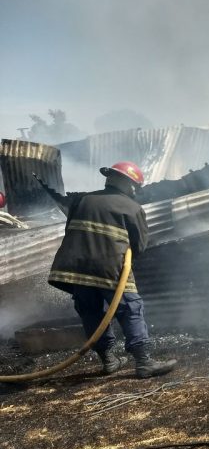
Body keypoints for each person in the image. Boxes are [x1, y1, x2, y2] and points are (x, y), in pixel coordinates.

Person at [46, 162, 177, 378]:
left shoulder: (82, 200)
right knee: (130, 308)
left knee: (90, 311)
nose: (136, 191)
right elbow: (139, 247)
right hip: (110, 269)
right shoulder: (133, 208)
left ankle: (108, 360)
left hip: (77, 269)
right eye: (135, 186)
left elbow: (72, 230)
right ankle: (144, 362)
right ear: (127, 184)